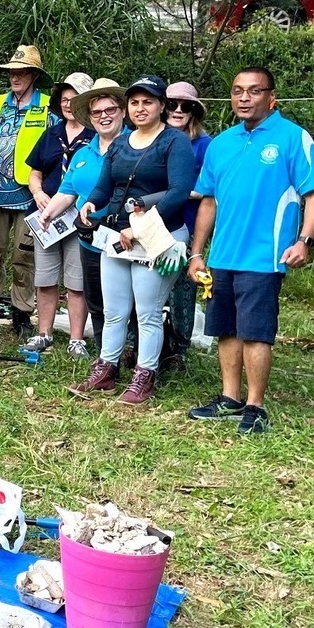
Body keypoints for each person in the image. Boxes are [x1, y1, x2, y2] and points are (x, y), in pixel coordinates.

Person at [187, 67, 314, 434]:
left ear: (271, 96)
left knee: (256, 332)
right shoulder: (222, 144)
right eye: (237, 91)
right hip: (222, 256)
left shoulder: (293, 138)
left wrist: (304, 241)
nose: (244, 98)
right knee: (226, 330)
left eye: (253, 91)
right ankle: (230, 398)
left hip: (265, 257)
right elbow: (208, 202)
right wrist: (197, 252)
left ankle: (255, 405)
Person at [74, 76, 197, 405]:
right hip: (116, 236)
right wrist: (91, 203)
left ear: (162, 106)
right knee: (114, 311)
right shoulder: (120, 144)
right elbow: (106, 185)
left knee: (148, 312)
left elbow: (179, 193)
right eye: (135, 102)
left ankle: (145, 374)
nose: (140, 108)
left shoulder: (174, 142)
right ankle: (107, 369)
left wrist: (138, 228)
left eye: (148, 102)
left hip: (159, 238)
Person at [0, 44, 53, 336]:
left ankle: (21, 314)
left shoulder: (47, 106)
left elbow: (53, 151)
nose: (15, 77)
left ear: (33, 75)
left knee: (23, 256)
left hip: (29, 195)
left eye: (22, 72)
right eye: (11, 72)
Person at [49, 79, 127, 361]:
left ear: (122, 112)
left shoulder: (135, 146)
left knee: (126, 301)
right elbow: (67, 191)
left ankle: (132, 354)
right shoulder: (83, 152)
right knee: (96, 298)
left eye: (110, 110)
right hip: (90, 238)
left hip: (125, 238)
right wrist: (47, 215)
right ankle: (103, 355)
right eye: (97, 112)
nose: (104, 116)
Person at [22, 72, 97, 356]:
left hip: (79, 218)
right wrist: (39, 194)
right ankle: (44, 333)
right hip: (47, 217)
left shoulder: (95, 136)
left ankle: (76, 338)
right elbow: (34, 173)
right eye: (64, 99)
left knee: (77, 282)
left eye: (74, 99)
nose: (68, 104)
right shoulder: (51, 133)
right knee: (45, 278)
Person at [162, 81, 212, 369]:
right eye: (172, 104)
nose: (178, 110)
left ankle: (179, 349)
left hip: (188, 223)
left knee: (182, 287)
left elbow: (211, 187)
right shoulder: (148, 137)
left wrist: (179, 191)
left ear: (194, 111)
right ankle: (141, 343)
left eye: (186, 105)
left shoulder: (205, 145)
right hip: (152, 223)